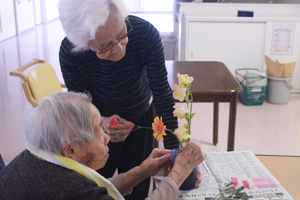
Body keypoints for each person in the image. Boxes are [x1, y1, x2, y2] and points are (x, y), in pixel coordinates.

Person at [58, 0, 179, 199]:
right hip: (96, 126)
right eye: (105, 46)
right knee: (96, 184)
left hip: (141, 117)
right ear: (84, 43)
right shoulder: (71, 52)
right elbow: (81, 104)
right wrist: (102, 122)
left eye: (122, 34)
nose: (120, 49)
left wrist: (175, 152)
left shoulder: (144, 32)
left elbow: (162, 93)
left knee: (138, 184)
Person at [0, 92, 206, 200]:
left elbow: (96, 192)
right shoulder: (69, 189)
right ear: (70, 150)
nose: (107, 137)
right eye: (99, 128)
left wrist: (141, 171)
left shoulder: (34, 157)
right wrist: (177, 175)